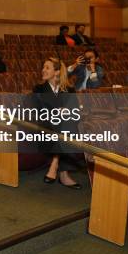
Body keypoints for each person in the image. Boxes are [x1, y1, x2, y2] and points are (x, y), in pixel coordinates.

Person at [34, 57, 81, 190]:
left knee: (68, 124)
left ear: (56, 72)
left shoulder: (69, 89)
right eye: (43, 67)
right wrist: (57, 112)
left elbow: (75, 111)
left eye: (47, 67)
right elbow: (37, 111)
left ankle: (55, 163)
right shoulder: (39, 88)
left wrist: (65, 112)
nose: (43, 70)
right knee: (67, 126)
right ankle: (63, 174)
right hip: (45, 127)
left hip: (64, 127)